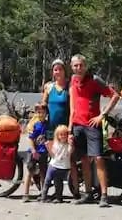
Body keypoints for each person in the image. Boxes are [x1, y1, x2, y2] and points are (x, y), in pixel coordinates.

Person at [68, 54, 121, 207]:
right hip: (78, 125)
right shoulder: (73, 79)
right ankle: (88, 193)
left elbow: (115, 95)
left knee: (98, 158)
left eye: (81, 65)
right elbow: (73, 106)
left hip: (92, 125)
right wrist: (70, 128)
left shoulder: (95, 80)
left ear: (85, 65)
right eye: (75, 65)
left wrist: (102, 115)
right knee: (84, 159)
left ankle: (104, 195)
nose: (78, 68)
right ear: (72, 67)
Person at [41, 57, 78, 197]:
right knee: (53, 159)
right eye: (55, 69)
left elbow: (72, 109)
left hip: (64, 129)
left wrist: (70, 127)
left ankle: (75, 190)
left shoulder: (69, 87)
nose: (57, 72)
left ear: (64, 70)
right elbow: (43, 105)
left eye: (60, 69)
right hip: (51, 128)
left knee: (70, 159)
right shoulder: (48, 87)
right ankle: (49, 190)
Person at [22, 103, 49, 201]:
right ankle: (26, 193)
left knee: (43, 172)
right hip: (33, 151)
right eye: (39, 112)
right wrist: (33, 150)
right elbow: (30, 138)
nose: (41, 114)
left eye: (43, 112)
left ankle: (43, 193)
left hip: (43, 151)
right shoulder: (34, 123)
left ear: (46, 113)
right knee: (30, 171)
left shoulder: (47, 124)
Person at [41, 124, 73, 203]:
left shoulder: (68, 145)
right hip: (53, 165)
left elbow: (70, 152)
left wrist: (71, 143)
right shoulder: (55, 144)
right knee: (47, 181)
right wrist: (48, 147)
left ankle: (59, 198)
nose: (63, 136)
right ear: (57, 136)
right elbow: (53, 155)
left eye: (65, 134)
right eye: (61, 135)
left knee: (58, 183)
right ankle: (43, 197)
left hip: (63, 167)